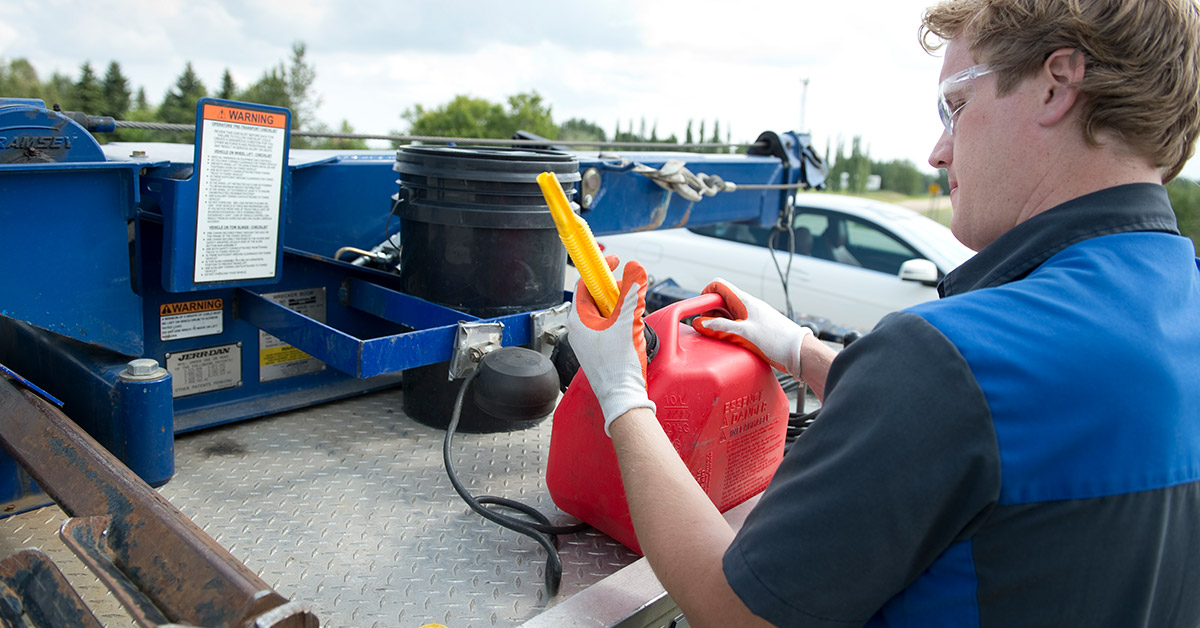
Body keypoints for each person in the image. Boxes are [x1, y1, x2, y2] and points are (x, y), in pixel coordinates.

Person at [565, 0, 1200, 625]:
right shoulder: (1176, 306)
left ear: (1056, 84)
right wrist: (800, 350)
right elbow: (989, 437)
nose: (937, 151)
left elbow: (734, 609)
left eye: (955, 106)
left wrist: (621, 391)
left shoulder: (951, 360)